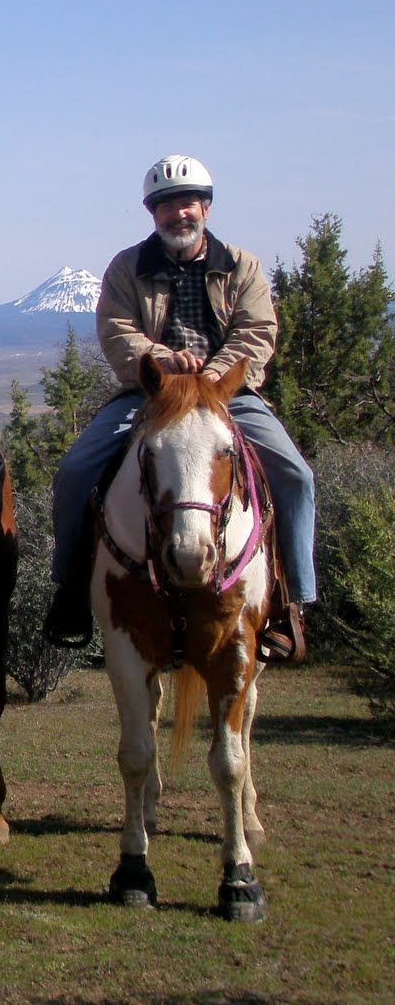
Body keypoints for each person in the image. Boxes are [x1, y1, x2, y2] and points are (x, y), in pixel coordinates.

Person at [44, 155, 314, 662]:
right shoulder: (128, 267)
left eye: (186, 202)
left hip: (227, 394)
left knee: (295, 475)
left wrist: (216, 373)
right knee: (76, 469)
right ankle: (70, 593)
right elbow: (116, 330)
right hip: (151, 394)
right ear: (153, 214)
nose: (177, 214)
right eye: (165, 206)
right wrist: (164, 360)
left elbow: (258, 331)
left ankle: (291, 601)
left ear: (205, 207)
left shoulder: (241, 266)